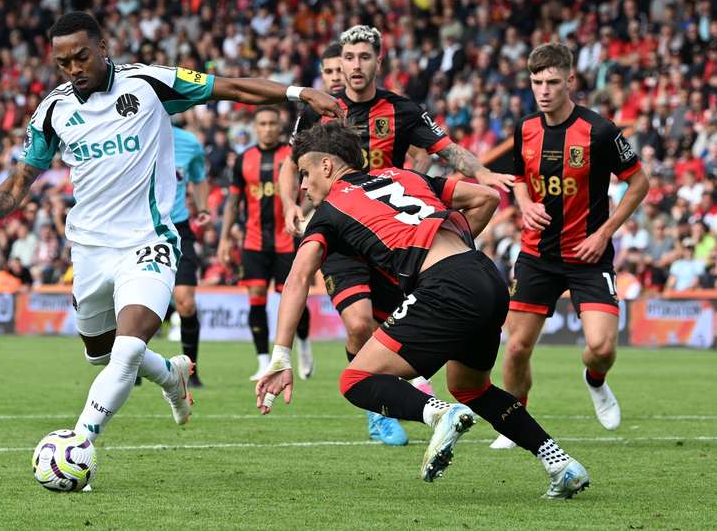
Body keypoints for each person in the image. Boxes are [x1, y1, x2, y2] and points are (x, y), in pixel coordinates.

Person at [0, 12, 342, 453]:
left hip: (148, 242)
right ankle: (171, 374)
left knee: (128, 350)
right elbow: (18, 185)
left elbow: (230, 86)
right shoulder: (54, 110)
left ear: (102, 48)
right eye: (63, 63)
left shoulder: (148, 83)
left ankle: (77, 445)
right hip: (90, 251)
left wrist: (298, 92)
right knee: (102, 355)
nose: (74, 69)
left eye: (81, 57)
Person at [256, 122, 589, 499]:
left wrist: (281, 355)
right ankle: (560, 464)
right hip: (485, 275)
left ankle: (438, 414)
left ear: (328, 166)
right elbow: (486, 198)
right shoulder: (404, 175)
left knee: (354, 381)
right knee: (472, 388)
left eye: (305, 172)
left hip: (446, 287)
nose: (301, 184)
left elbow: (298, 278)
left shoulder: (329, 211)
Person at [278, 25, 514, 446]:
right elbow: (290, 162)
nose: (354, 66)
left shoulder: (403, 110)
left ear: (377, 62)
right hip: (342, 234)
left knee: (395, 327)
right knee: (358, 322)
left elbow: (446, 149)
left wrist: (481, 174)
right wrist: (290, 205)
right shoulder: (321, 109)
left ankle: (414, 394)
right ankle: (378, 413)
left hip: (395, 236)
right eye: (348, 58)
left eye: (363, 57)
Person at [491, 43, 650, 449]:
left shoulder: (600, 130)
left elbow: (639, 183)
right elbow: (519, 177)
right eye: (536, 82)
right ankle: (515, 420)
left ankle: (595, 381)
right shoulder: (525, 129)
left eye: (552, 82)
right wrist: (525, 205)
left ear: (570, 81)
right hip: (536, 254)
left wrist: (605, 232)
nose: (543, 90)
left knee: (600, 347)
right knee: (516, 348)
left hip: (588, 254)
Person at [218, 106, 314, 381]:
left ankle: (305, 347)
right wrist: (225, 238)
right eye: (263, 123)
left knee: (295, 300)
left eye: (273, 123)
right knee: (256, 300)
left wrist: (298, 211)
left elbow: (310, 191)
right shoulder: (243, 160)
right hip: (253, 240)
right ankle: (262, 361)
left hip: (287, 238)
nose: (268, 128)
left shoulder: (294, 157)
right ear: (255, 127)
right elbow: (233, 202)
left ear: (280, 127)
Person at [167, 125, 210, 388]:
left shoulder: (188, 143)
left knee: (185, 303)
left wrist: (203, 207)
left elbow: (198, 177)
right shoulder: (128, 133)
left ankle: (190, 369)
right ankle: (131, 367)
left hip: (178, 229)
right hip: (139, 229)